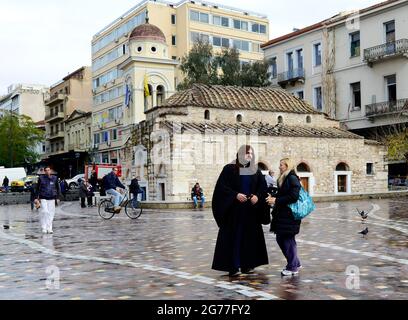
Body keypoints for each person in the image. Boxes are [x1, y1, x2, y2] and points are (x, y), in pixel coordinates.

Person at [212, 145, 269, 277]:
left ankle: (247, 265)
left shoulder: (256, 171)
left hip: (250, 213)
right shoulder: (229, 169)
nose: (249, 155)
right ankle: (233, 266)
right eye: (246, 153)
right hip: (234, 213)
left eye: (251, 153)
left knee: (249, 238)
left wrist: (257, 197)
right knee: (234, 238)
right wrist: (235, 195)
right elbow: (221, 188)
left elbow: (263, 189)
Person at [266, 158, 302, 277]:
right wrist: (274, 195)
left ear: (287, 166)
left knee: (286, 239)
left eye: (281, 165)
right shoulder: (285, 178)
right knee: (284, 239)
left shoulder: (291, 177)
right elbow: (284, 194)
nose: (279, 167)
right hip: (283, 215)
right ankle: (295, 262)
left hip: (289, 216)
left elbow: (294, 196)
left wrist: (276, 200)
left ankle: (292, 267)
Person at [35, 166, 61, 234]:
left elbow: (58, 188)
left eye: (48, 170)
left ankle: (49, 228)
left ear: (51, 171)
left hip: (52, 197)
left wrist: (58, 197)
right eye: (46, 170)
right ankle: (44, 227)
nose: (47, 171)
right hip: (43, 197)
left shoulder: (54, 178)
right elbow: (37, 188)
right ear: (44, 171)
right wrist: (36, 198)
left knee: (51, 214)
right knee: (45, 211)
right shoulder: (41, 178)